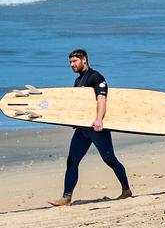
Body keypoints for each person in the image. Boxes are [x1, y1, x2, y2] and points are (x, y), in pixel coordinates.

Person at [48, 49, 131, 206]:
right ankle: (66, 197)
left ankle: (126, 190)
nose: (72, 65)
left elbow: (102, 99)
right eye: (70, 62)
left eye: (74, 61)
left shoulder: (96, 77)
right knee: (72, 160)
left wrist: (99, 119)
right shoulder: (78, 81)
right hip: (83, 129)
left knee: (109, 159)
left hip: (97, 128)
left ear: (84, 60)